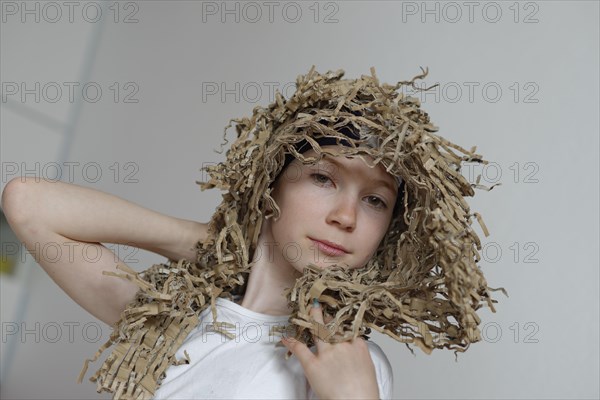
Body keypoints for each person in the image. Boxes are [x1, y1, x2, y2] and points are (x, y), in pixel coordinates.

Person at [1, 66, 501, 400]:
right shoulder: (172, 319)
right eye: (323, 178)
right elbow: (28, 203)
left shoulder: (344, 359)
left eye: (375, 200)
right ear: (269, 188)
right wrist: (216, 242)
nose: (347, 216)